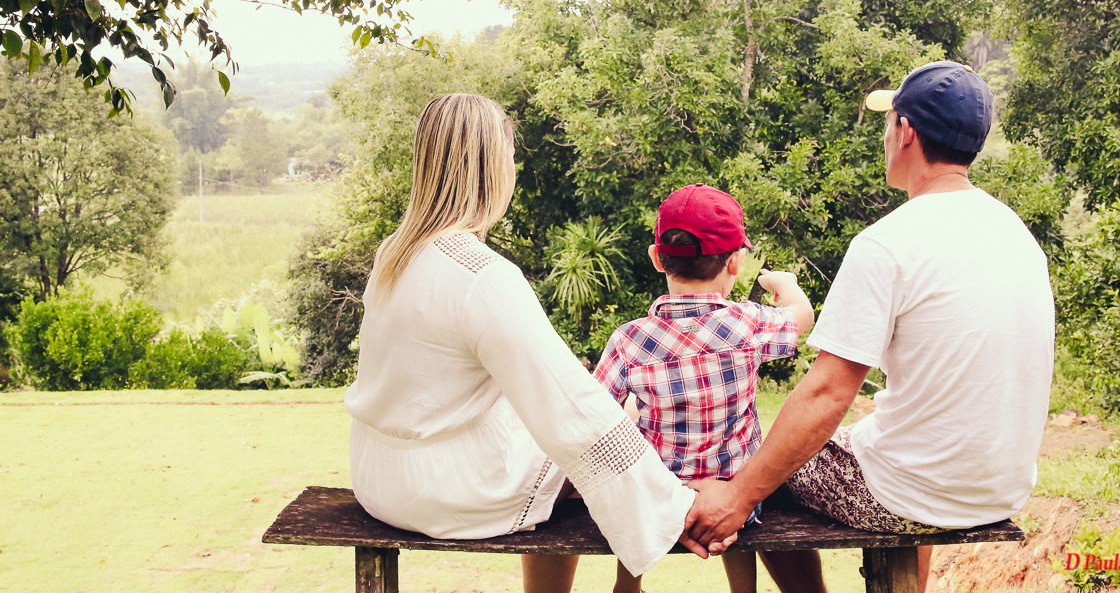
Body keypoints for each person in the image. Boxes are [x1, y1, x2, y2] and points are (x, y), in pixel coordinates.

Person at [682, 61, 1056, 593]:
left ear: (905, 132)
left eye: (889, 121)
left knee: (750, 457)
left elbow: (826, 394)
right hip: (1001, 487)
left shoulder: (887, 243)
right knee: (856, 440)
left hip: (913, 495)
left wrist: (736, 498)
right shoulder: (1014, 232)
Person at [344, 93, 702, 593]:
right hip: (447, 487)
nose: (514, 168)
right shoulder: (482, 275)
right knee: (612, 420)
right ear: (491, 169)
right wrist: (675, 503)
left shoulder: (395, 252)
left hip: (378, 476)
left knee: (552, 426)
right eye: (510, 156)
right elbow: (570, 406)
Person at [594, 183, 814, 593]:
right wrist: (785, 284)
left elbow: (594, 415)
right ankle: (742, 588)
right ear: (735, 263)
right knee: (740, 477)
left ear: (657, 257)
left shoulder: (630, 339)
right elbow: (802, 316)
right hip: (737, 501)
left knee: (638, 494)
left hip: (659, 500)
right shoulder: (749, 324)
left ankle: (629, 585)